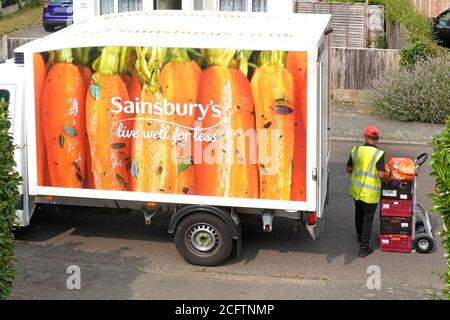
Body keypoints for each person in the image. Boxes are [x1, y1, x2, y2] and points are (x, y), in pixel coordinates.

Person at [346, 126, 389, 258]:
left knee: (358, 213)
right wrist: (389, 180)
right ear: (377, 139)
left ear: (365, 137)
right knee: (368, 219)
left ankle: (360, 236)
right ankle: (364, 248)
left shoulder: (356, 150)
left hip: (356, 190)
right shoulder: (379, 154)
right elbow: (381, 175)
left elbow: (348, 169)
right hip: (370, 193)